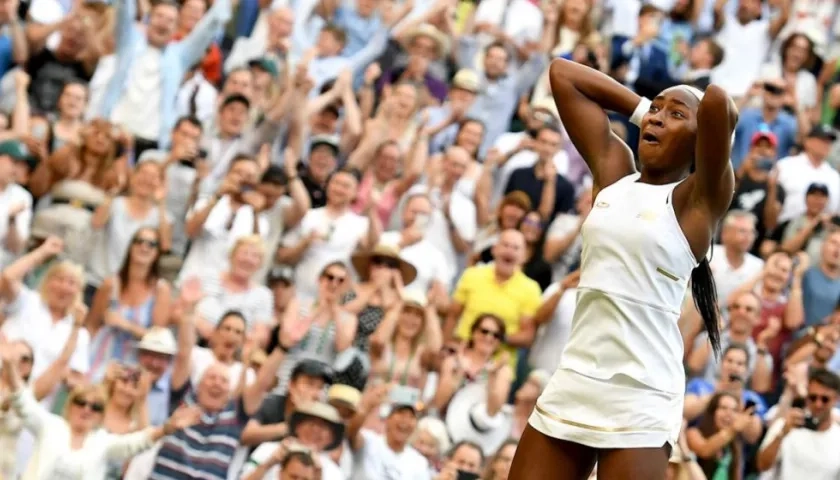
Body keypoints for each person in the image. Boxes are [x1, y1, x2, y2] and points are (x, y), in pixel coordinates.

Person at [510, 58, 738, 479]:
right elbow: (563, 74)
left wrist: (685, 119)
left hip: (642, 392)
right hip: (576, 375)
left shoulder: (698, 200)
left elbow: (720, 103)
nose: (657, 117)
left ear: (698, 141)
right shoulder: (614, 172)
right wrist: (643, 110)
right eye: (656, 108)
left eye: (675, 114)